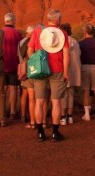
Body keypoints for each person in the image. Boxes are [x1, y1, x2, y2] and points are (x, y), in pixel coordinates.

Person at [27, 9, 70, 142]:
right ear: (57, 20)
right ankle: (55, 134)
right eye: (60, 19)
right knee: (56, 101)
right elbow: (66, 55)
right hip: (57, 70)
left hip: (41, 71)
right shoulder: (63, 34)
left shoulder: (37, 31)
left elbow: (29, 51)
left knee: (39, 101)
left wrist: (36, 61)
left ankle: (40, 133)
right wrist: (66, 72)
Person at [60, 23, 81, 125]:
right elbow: (79, 55)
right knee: (71, 93)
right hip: (74, 71)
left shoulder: (61, 41)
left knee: (63, 93)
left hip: (64, 70)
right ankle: (70, 116)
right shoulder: (75, 41)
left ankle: (63, 117)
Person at [2, 13, 23, 120]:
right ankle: (13, 112)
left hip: (1, 64)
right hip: (14, 64)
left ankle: (2, 111)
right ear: (13, 21)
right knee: (13, 88)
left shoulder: (0, 32)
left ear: (5, 21)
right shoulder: (17, 33)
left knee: (3, 89)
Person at [19, 26, 36, 128]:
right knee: (40, 98)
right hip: (40, 71)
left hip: (29, 71)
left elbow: (21, 55)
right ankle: (42, 122)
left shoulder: (26, 42)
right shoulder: (40, 41)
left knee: (31, 98)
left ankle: (32, 121)